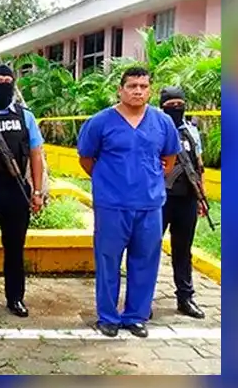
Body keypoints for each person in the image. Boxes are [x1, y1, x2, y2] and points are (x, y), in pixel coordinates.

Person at [77, 66, 180, 339]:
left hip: (149, 205)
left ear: (150, 90)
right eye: (132, 86)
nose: (138, 91)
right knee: (108, 261)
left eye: (143, 87)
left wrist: (149, 179)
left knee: (145, 262)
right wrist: (109, 182)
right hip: (112, 205)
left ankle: (135, 316)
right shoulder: (100, 122)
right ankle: (108, 317)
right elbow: (86, 159)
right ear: (120, 89)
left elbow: (169, 160)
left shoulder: (162, 123)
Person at [0, 65, 45, 318]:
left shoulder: (26, 117)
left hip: (16, 190)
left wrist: (37, 191)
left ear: (13, 84)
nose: (3, 86)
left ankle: (15, 298)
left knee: (15, 248)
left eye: (7, 81)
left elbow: (36, 155)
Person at [158, 86, 206, 319]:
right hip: (159, 200)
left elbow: (199, 165)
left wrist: (200, 196)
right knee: (147, 250)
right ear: (162, 107)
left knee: (183, 250)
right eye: (171, 105)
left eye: (180, 104)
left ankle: (185, 297)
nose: (176, 109)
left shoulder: (191, 131)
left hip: (186, 199)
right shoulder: (155, 128)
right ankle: (142, 300)